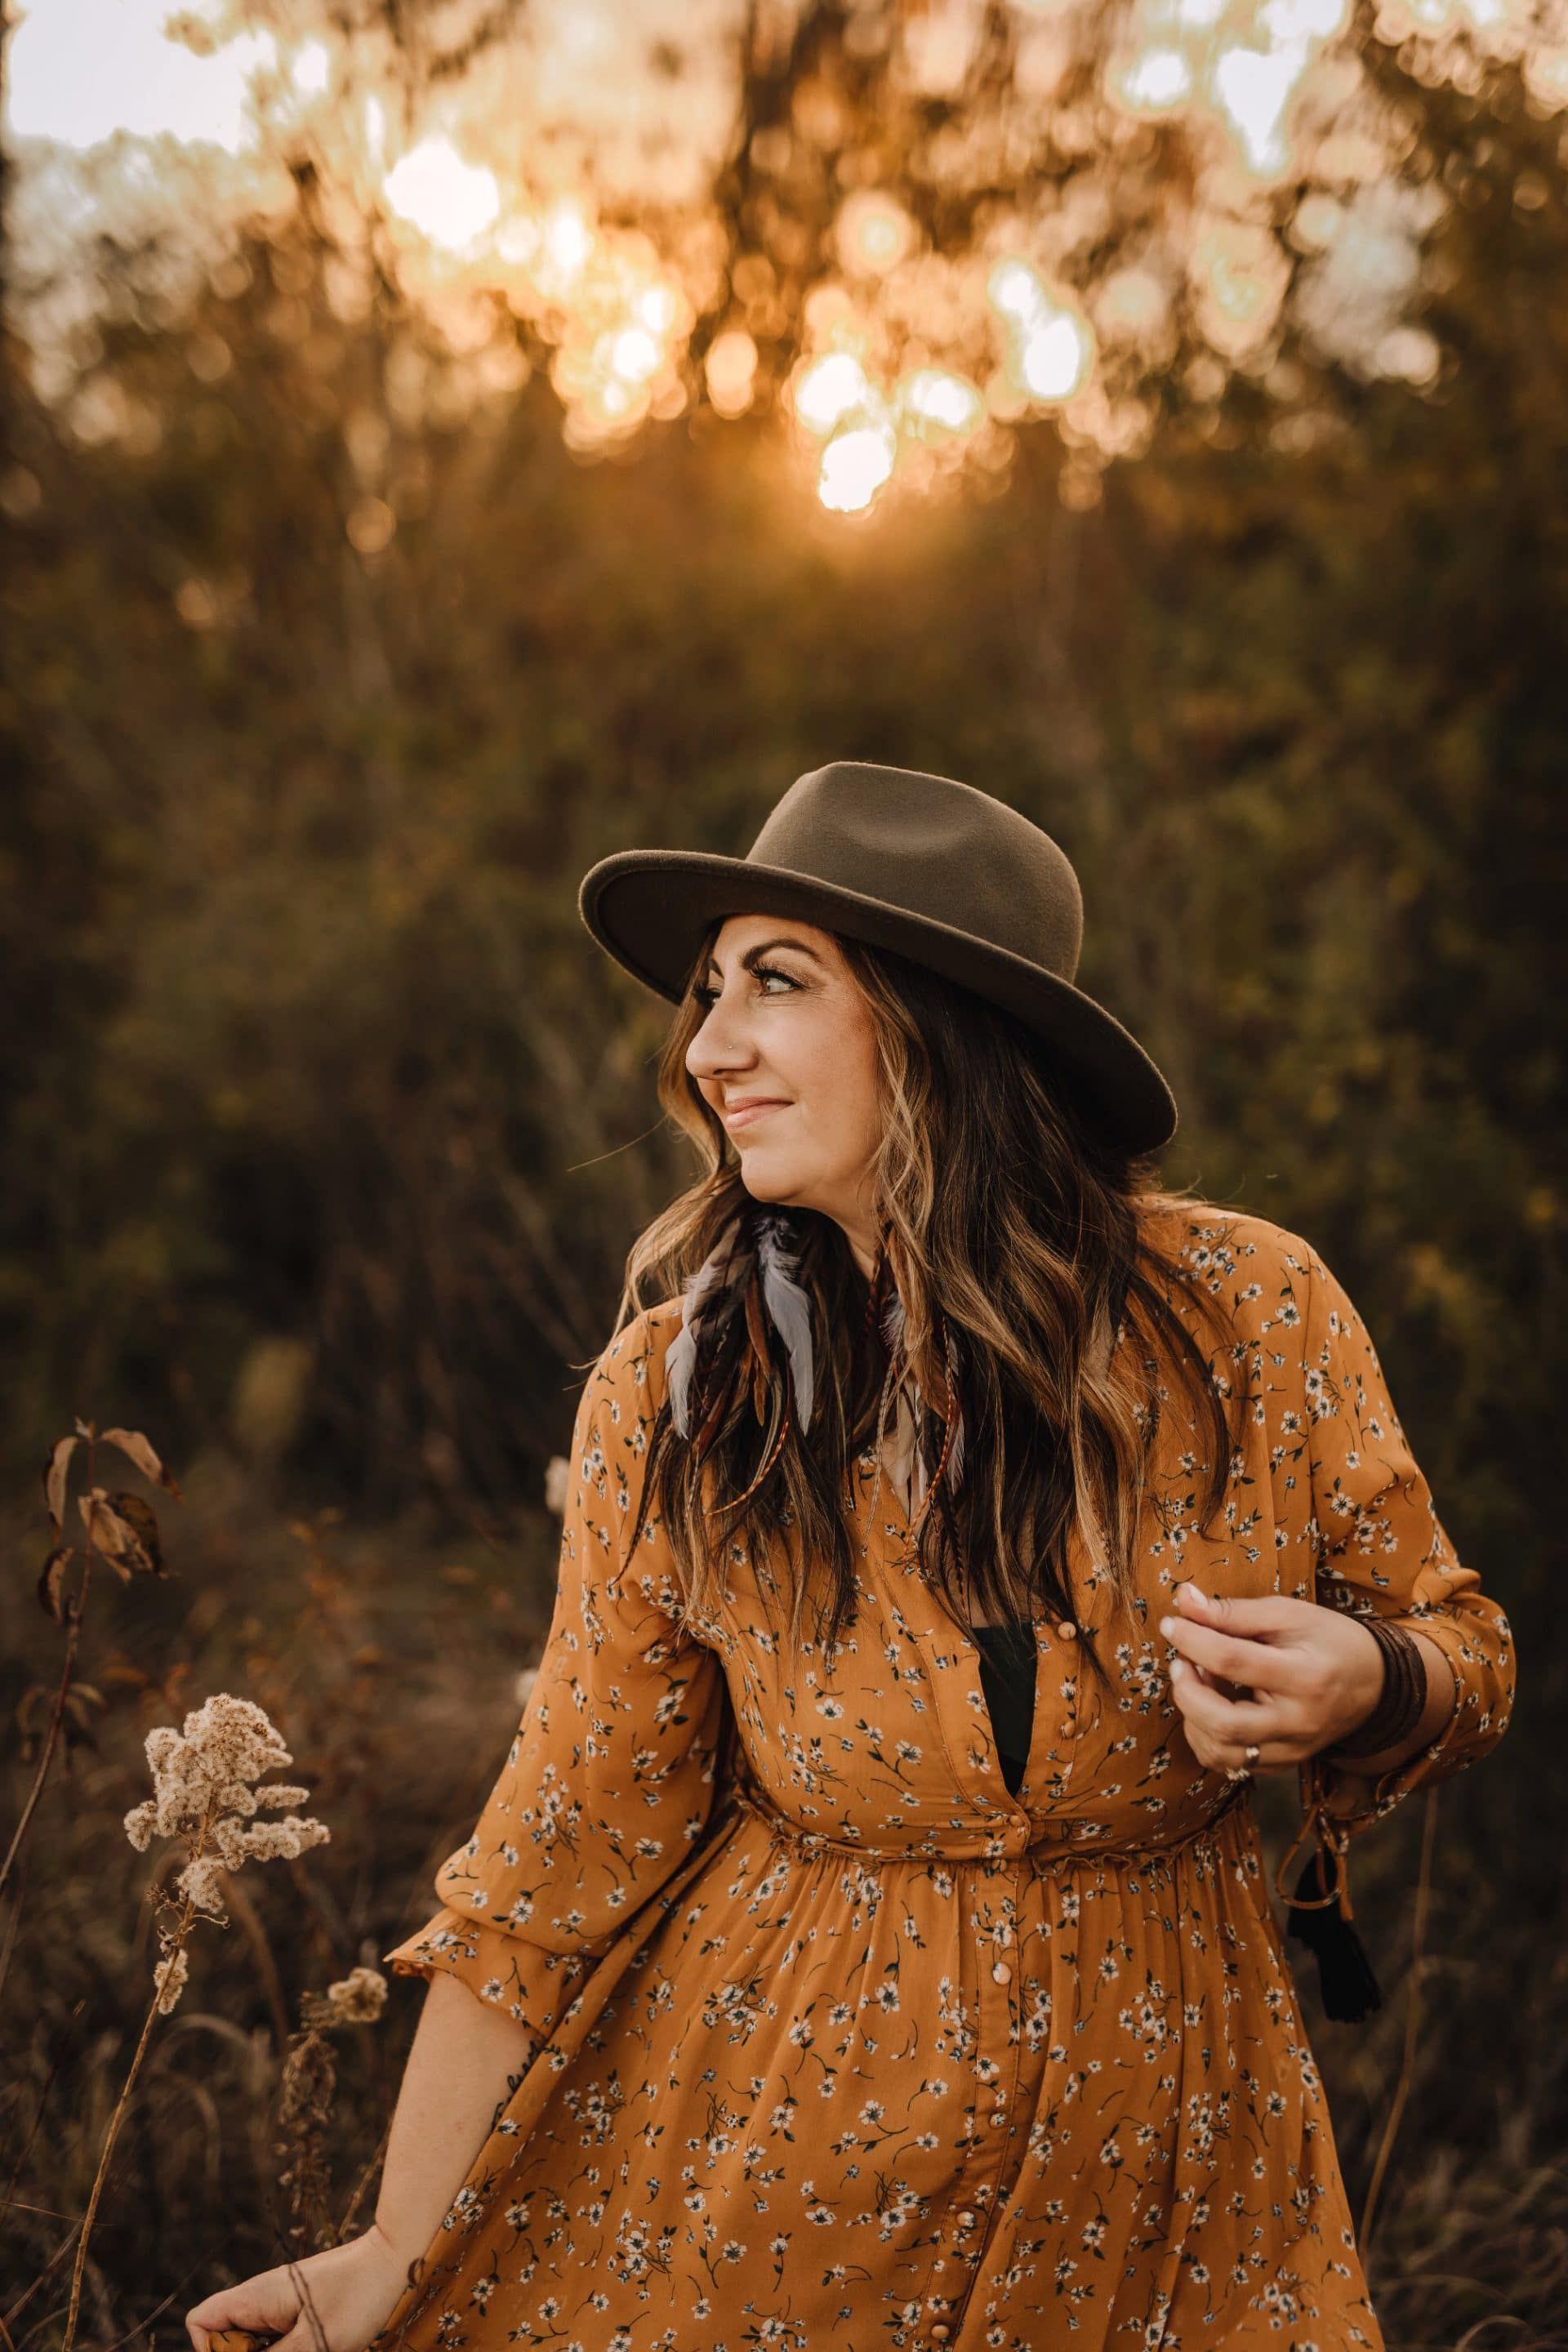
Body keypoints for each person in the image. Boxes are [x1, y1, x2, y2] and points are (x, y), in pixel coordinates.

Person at [186, 760, 1514, 2352]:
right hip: (788, 2154)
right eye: (705, 993)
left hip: (1175, 2165)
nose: (707, 1047)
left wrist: (1372, 1682)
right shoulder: (682, 1398)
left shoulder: (1250, 1314)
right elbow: (554, 1851)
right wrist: (399, 2248)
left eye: (776, 983)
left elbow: (1463, 1648)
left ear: (944, 1024)